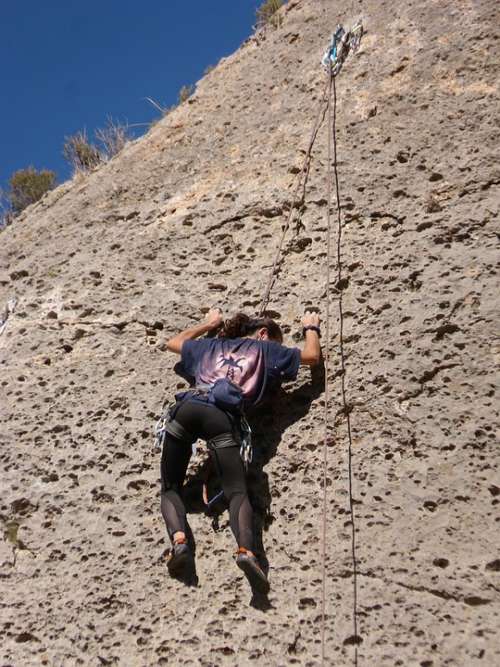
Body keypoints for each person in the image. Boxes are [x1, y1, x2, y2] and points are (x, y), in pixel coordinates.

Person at [160, 308, 321, 593]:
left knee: (171, 487)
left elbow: (174, 342)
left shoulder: (209, 346)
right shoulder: (267, 349)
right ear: (263, 334)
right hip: (222, 419)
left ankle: (180, 542)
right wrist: (311, 328)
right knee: (236, 491)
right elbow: (311, 357)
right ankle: (246, 551)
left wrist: (209, 324)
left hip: (186, 409)